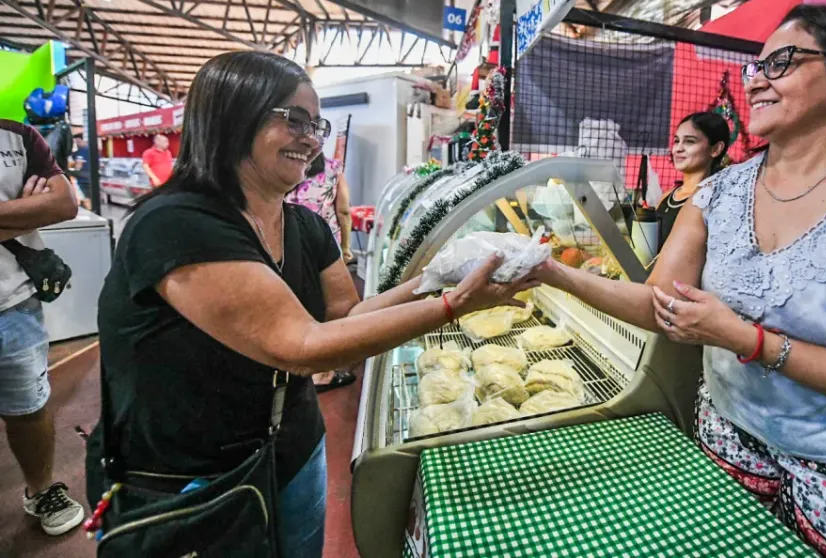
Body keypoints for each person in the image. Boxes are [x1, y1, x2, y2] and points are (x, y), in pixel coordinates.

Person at [534, 4, 826, 555]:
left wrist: (748, 340)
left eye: (783, 62)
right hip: (729, 447)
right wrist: (548, 273)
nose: (757, 80)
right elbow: (660, 306)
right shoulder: (720, 193)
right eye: (756, 67)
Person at [85, 51, 536, 558]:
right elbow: (301, 346)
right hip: (192, 479)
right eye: (293, 120)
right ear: (232, 117)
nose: (311, 138)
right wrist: (453, 305)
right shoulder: (176, 225)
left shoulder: (306, 226)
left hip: (294, 450)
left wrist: (436, 277)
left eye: (315, 123)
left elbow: (343, 322)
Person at [0, 119, 84, 536]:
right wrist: (20, 211)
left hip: (13, 303)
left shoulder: (18, 137)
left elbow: (64, 205)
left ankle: (40, 489)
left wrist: (43, 205)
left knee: (29, 409)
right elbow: (43, 207)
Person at [286, 153, 358, 392]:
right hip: (326, 246)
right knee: (330, 307)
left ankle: (302, 368)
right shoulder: (333, 168)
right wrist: (346, 248)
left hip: (291, 243)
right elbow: (344, 211)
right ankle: (322, 372)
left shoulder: (288, 167)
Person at [655, 112, 730, 251]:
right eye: (677, 141)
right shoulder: (668, 196)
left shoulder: (716, 201)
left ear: (715, 149)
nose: (678, 148)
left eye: (690, 141)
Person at [71, 136, 91, 210]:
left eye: (78, 141)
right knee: (86, 197)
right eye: (76, 142)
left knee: (87, 198)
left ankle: (90, 211)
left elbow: (78, 165)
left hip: (85, 179)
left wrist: (76, 170)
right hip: (83, 179)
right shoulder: (79, 151)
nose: (77, 143)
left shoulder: (85, 150)